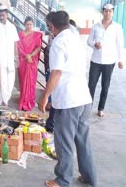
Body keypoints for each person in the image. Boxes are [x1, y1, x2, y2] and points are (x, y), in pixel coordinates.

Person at [38, 11, 97, 187]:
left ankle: (63, 180)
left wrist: (45, 96)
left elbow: (56, 72)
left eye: (49, 28)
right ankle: (89, 177)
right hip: (84, 98)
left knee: (64, 142)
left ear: (52, 27)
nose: (50, 32)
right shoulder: (75, 38)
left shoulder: (58, 42)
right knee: (83, 141)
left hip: (69, 101)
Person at [87, 3, 124, 117]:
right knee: (91, 85)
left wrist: (120, 59)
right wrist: (94, 44)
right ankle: (88, 107)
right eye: (106, 11)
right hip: (96, 60)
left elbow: (119, 44)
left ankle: (101, 108)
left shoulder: (117, 27)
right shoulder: (96, 26)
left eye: (110, 11)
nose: (108, 13)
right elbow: (89, 41)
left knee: (105, 85)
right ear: (103, 12)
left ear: (113, 13)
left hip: (110, 61)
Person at [0, 5, 19, 109]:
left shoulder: (12, 27)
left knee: (9, 81)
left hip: (9, 60)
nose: (2, 15)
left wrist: (16, 57)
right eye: (0, 13)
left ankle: (6, 100)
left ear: (7, 14)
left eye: (3, 13)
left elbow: (15, 43)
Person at [17, 16, 42, 111]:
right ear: (24, 25)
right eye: (27, 24)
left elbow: (38, 47)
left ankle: (30, 102)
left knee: (31, 82)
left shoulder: (36, 35)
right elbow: (19, 47)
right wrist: (26, 56)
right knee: (23, 82)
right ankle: (23, 102)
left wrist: (30, 55)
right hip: (23, 61)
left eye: (30, 24)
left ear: (33, 24)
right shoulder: (20, 35)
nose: (29, 26)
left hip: (32, 61)